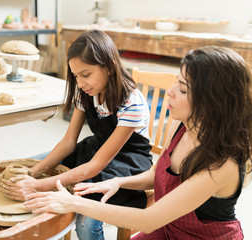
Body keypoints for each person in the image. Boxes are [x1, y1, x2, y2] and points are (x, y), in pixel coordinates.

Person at [24, 46, 252, 239]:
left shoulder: (223, 163)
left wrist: (73, 203)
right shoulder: (181, 125)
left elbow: (149, 220)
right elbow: (158, 175)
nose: (170, 93)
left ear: (213, 103)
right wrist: (118, 183)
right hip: (170, 228)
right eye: (176, 82)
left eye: (183, 89)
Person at [0, 29, 153, 239]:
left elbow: (95, 167)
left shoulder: (131, 103)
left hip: (127, 161)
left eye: (86, 74)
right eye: (75, 76)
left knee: (85, 219)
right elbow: (69, 142)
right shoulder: (87, 92)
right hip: (97, 148)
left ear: (109, 66)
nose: (80, 83)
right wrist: (34, 172)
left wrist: (37, 185)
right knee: (30, 164)